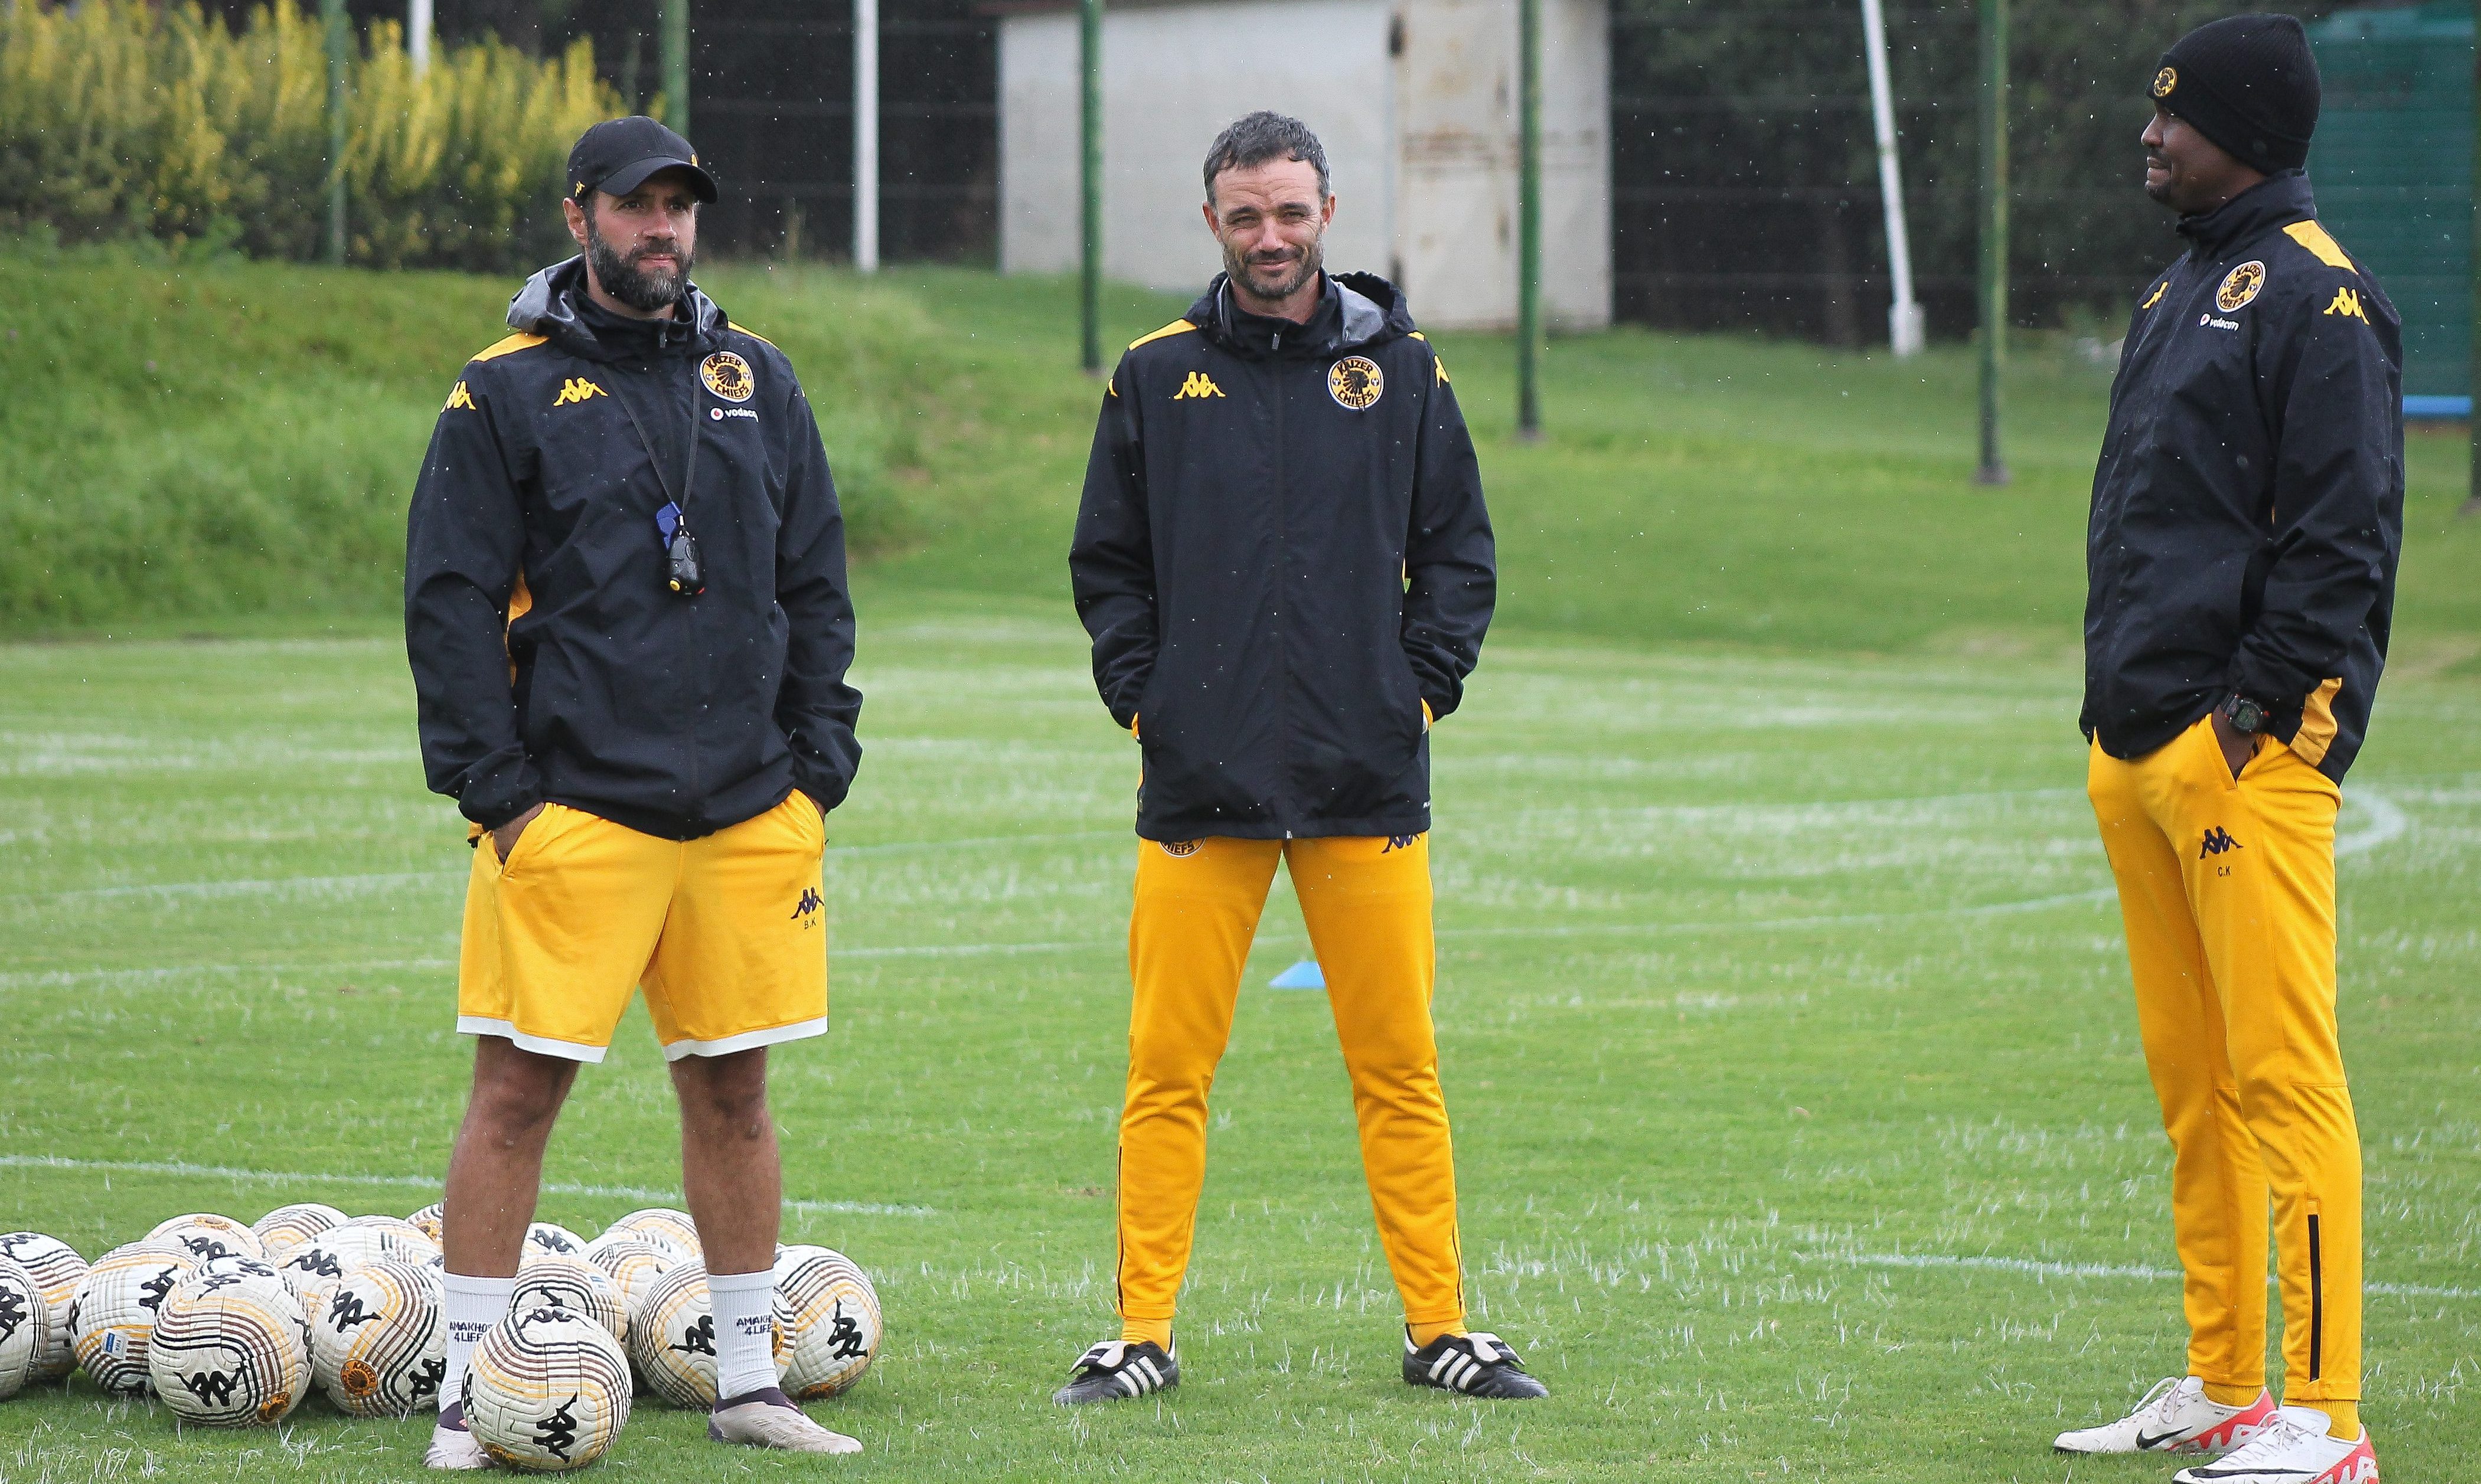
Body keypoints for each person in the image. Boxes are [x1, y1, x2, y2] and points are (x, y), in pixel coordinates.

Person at [1059, 111, 1544, 1404]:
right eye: (1243, 215)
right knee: (1167, 1071)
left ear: (1327, 212)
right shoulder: (1156, 375)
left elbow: (1459, 557)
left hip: (1363, 782)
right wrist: (1143, 700)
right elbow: (1108, 565)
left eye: (1289, 211)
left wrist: (1413, 694)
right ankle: (1141, 1335)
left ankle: (1439, 1327)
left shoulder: (1405, 371)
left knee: (1398, 1067)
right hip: (1198, 789)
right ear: (1211, 222)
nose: (1268, 237)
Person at [404, 116, 864, 1466]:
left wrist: (815, 767)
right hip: (576, 814)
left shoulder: (755, 377)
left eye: (679, 208)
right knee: (516, 1098)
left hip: (745, 815)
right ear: (579, 217)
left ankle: (745, 1385)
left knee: (734, 1096)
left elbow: (816, 583)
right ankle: (468, 1399)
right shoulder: (503, 390)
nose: (661, 229)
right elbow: (448, 603)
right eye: (636, 207)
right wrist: (499, 796)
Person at [2061, 18, 2401, 1484]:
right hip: (2132, 743)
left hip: (2239, 760)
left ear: (2247, 131)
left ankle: (2322, 1419)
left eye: (2175, 117)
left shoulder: (2318, 298)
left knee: (2282, 1075)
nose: (2152, 135)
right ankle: (2222, 1380)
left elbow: (2342, 542)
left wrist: (2254, 717)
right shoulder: (2182, 280)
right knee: (2195, 1087)